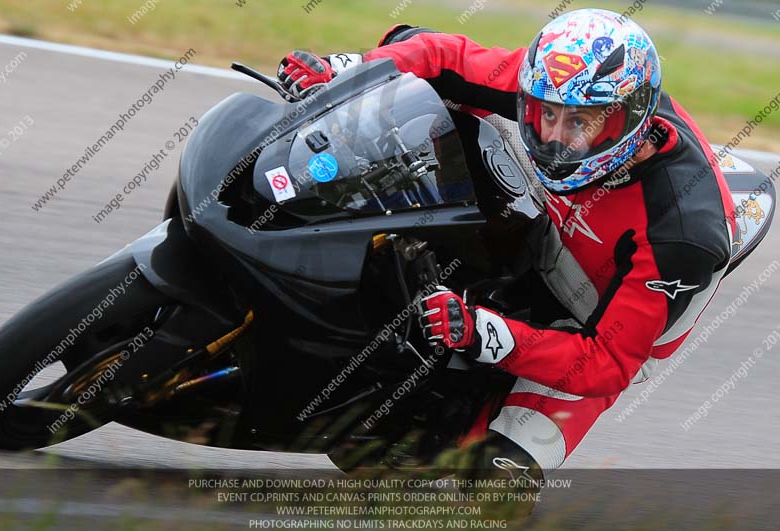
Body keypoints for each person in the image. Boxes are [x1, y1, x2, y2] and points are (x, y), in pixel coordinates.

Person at [278, 9, 735, 480]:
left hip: (592, 318)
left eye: (578, 123)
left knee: (491, 488)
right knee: (423, 83)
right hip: (542, 223)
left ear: (626, 122)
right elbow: (445, 56)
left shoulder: (682, 236)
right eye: (545, 115)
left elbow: (607, 361)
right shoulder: (564, 81)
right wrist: (349, 71)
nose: (554, 138)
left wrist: (487, 335)